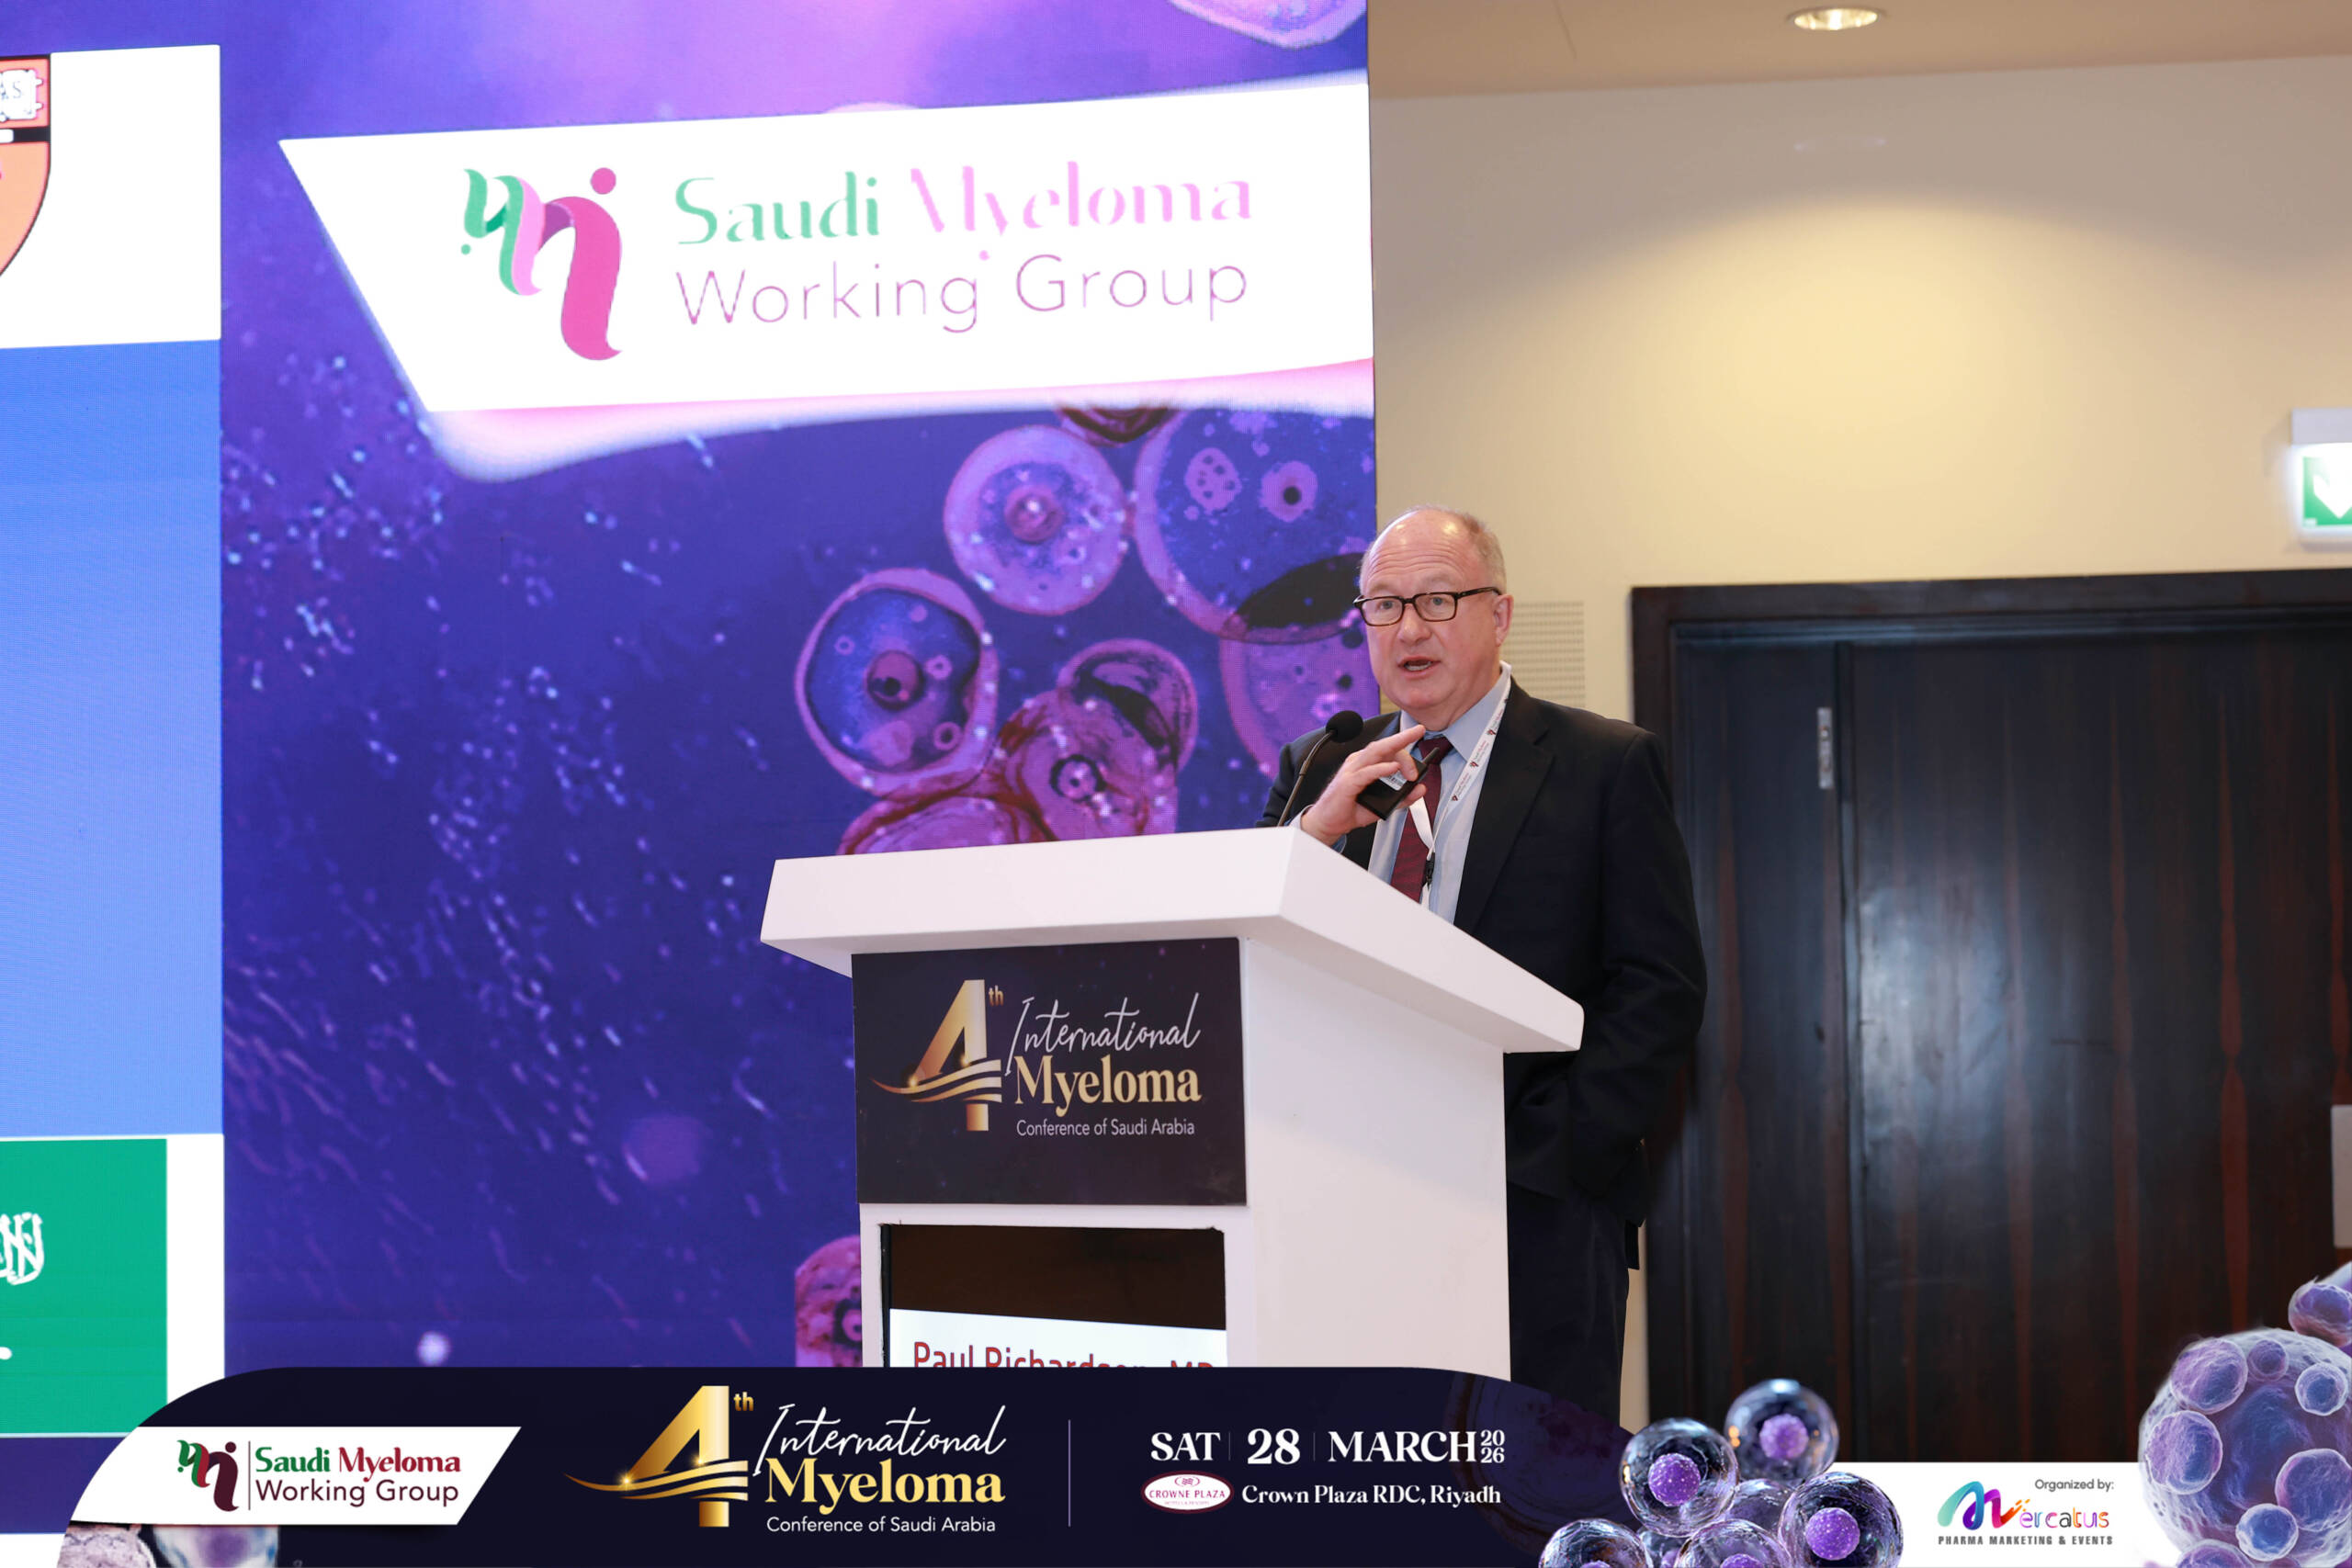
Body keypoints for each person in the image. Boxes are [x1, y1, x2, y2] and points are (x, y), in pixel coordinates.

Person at [1255, 505, 1705, 1420]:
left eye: (1437, 599)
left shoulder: (1601, 763)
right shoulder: (1323, 763)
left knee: (1527, 1475)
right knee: (1368, 1469)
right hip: (1341, 1192)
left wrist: (1562, 1150)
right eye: (1383, 605)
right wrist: (1312, 832)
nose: (1407, 629)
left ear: (1498, 615)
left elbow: (1659, 986)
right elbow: (1249, 950)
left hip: (1534, 1206)